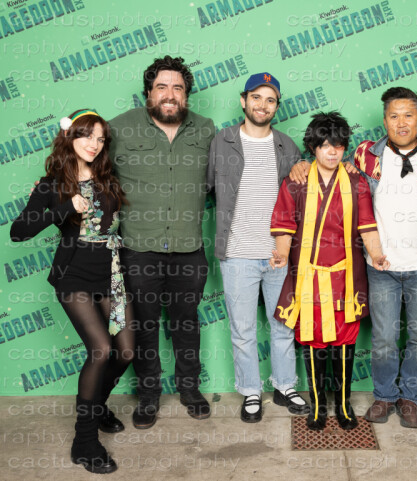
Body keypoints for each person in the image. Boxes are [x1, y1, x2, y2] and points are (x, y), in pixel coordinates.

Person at [291, 87, 417, 428]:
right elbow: (330, 166)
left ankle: (410, 398)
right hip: (381, 267)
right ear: (385, 121)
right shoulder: (367, 156)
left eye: (408, 115)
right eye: (394, 116)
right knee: (383, 340)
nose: (401, 122)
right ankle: (384, 396)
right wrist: (303, 163)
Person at [11, 109, 133, 474]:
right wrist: (64, 208)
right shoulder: (51, 184)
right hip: (73, 276)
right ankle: (84, 442)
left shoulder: (107, 178)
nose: (94, 144)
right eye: (87, 136)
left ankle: (97, 406)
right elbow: (18, 231)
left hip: (111, 274)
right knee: (101, 349)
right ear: (70, 137)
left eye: (100, 139)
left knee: (126, 351)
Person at [109, 56, 216, 428]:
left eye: (178, 88)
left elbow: (235, 170)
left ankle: (189, 389)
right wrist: (56, 187)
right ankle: (149, 395)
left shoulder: (207, 129)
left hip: (189, 249)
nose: (170, 95)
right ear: (148, 93)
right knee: (144, 325)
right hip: (138, 249)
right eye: (162, 87)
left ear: (186, 95)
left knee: (186, 323)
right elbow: (85, 162)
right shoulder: (118, 128)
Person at [270, 112, 389, 430]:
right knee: (313, 340)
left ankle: (344, 405)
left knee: (345, 340)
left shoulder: (356, 182)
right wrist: (281, 254)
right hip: (308, 277)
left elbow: (367, 225)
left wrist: (377, 255)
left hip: (346, 277)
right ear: (313, 148)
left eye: (338, 145)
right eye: (325, 145)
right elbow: (284, 224)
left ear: (344, 148)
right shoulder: (295, 182)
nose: (332, 152)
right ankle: (319, 405)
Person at [207, 72, 309, 423]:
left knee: (284, 326)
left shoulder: (287, 146)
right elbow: (203, 186)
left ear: (276, 106)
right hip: (237, 254)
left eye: (270, 100)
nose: (262, 105)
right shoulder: (222, 141)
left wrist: (305, 165)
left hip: (279, 253)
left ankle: (285, 386)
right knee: (243, 330)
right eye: (256, 97)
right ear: (243, 100)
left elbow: (303, 193)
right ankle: (251, 391)